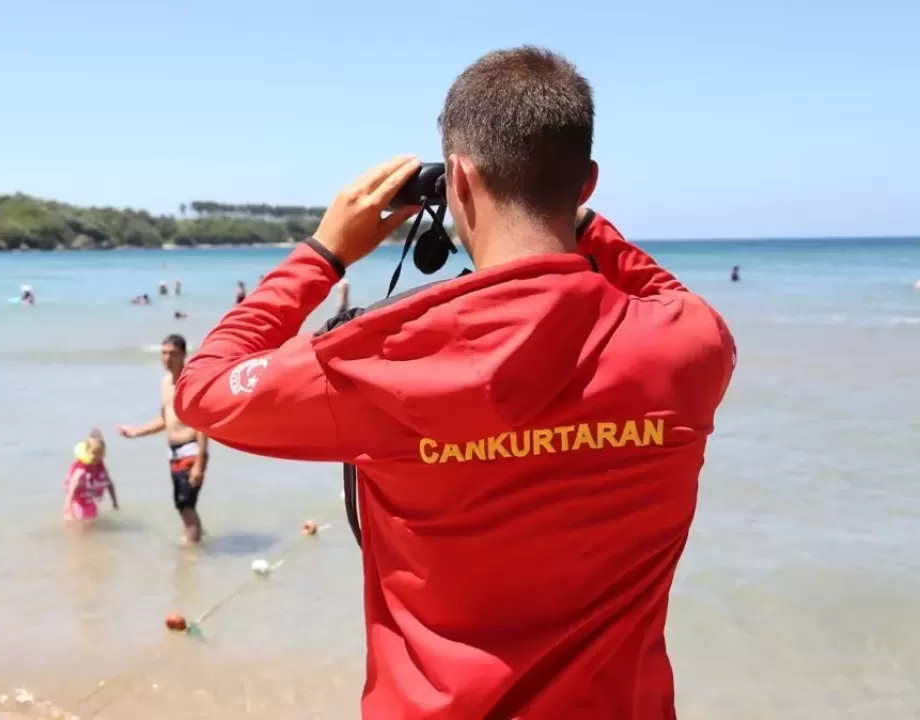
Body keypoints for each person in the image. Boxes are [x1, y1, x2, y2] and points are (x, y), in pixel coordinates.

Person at [171, 46, 736, 719]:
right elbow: (667, 293)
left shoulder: (379, 362)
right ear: (587, 184)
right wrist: (582, 224)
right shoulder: (689, 347)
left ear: (457, 178)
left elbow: (203, 389)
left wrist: (322, 253)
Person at [117, 334, 209, 544]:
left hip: (191, 451)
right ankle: (196, 540)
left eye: (173, 354)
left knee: (185, 505)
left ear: (183, 355)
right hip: (174, 453)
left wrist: (200, 462)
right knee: (182, 505)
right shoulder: (165, 383)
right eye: (164, 353)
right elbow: (165, 419)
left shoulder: (191, 383)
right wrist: (135, 432)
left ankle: (191, 552)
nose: (167, 358)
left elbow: (202, 423)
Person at [63, 430, 119, 524]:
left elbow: (109, 483)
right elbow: (72, 486)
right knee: (82, 525)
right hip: (78, 503)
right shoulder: (81, 469)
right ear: (87, 452)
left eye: (100, 453)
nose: (97, 456)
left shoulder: (101, 467)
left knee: (92, 522)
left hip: (89, 501)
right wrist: (67, 506)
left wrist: (114, 501)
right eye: (94, 453)